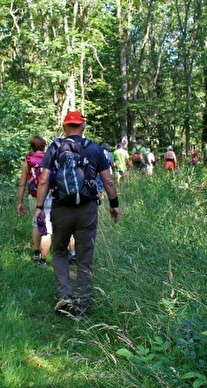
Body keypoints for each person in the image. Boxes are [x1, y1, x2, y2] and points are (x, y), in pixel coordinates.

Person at [34, 111, 120, 318]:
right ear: (82, 127)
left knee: (60, 251)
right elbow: (108, 180)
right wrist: (114, 204)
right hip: (87, 209)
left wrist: (39, 207)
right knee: (84, 257)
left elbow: (44, 180)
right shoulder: (94, 148)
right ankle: (82, 304)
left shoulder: (54, 147)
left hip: (61, 208)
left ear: (65, 127)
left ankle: (65, 295)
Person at [17, 135, 52, 265]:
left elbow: (22, 184)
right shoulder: (50, 158)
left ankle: (37, 253)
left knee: (36, 222)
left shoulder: (28, 161)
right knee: (47, 226)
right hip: (49, 196)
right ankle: (43, 260)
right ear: (44, 146)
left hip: (34, 196)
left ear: (32, 147)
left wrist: (20, 202)